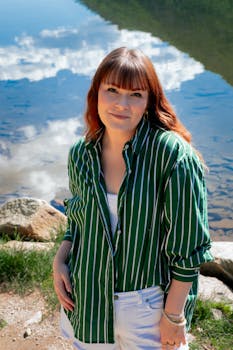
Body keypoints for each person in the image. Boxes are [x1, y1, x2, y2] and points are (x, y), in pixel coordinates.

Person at [53, 47, 213, 350]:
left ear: (149, 101)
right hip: (86, 300)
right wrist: (60, 259)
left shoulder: (172, 156)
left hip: (148, 308)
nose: (121, 104)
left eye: (135, 94)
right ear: (96, 93)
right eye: (112, 90)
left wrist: (174, 316)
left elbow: (189, 249)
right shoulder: (81, 154)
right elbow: (77, 222)